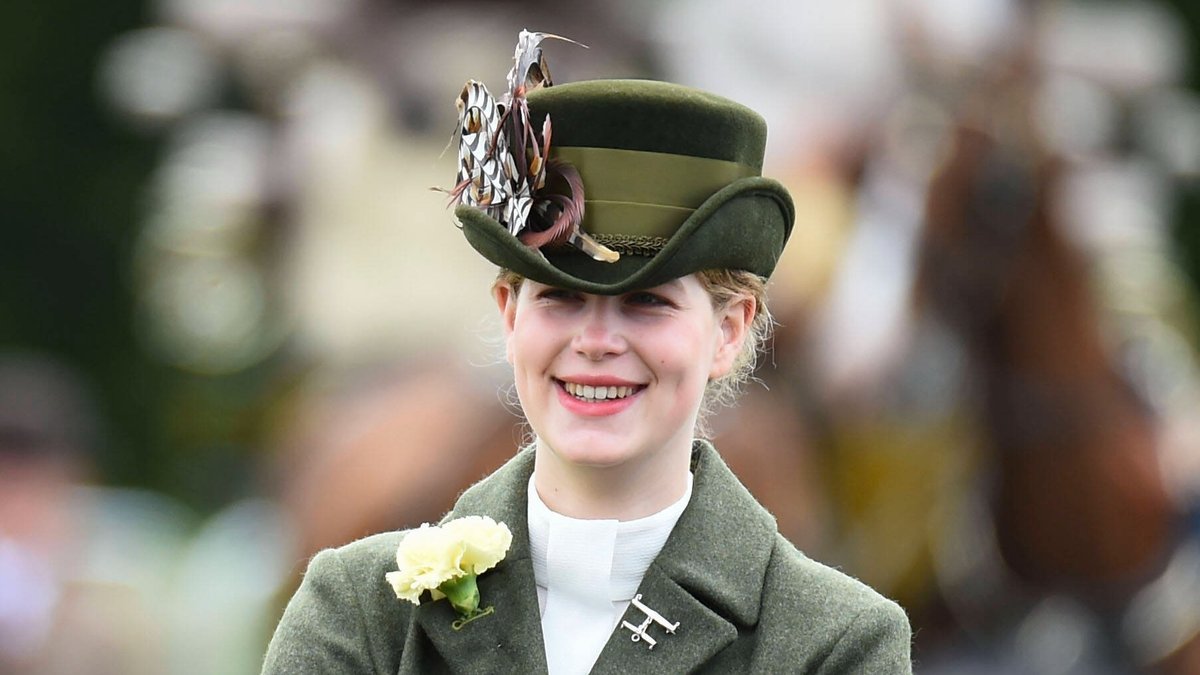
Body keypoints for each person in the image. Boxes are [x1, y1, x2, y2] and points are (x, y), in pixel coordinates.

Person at [263, 34, 911, 673]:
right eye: (560, 299)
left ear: (729, 329)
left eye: (647, 302)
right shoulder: (355, 610)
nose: (596, 341)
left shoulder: (836, 642)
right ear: (510, 314)